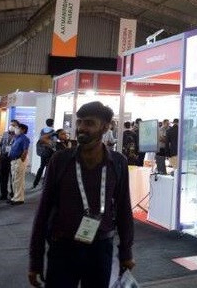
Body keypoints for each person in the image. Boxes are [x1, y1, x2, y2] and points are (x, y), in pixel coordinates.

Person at [28, 101, 135, 288]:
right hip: (63, 247)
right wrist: (35, 259)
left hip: (101, 247)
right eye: (79, 122)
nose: (81, 128)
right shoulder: (60, 160)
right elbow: (44, 209)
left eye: (89, 123)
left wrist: (126, 252)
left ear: (105, 127)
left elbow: (124, 208)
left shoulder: (117, 162)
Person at [8, 123, 31, 205]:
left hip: (18, 160)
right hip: (13, 160)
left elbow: (25, 150)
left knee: (18, 180)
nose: (16, 129)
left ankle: (19, 199)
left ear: (23, 130)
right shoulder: (16, 137)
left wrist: (21, 160)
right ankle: (15, 197)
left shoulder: (24, 139)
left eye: (17, 128)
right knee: (14, 180)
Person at [0, 119, 19, 201]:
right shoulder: (5, 133)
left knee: (13, 177)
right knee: (2, 176)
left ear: (17, 127)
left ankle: (13, 194)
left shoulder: (18, 136)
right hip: (3, 157)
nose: (11, 126)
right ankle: (3, 194)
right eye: (11, 124)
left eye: (14, 125)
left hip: (13, 158)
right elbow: (1, 144)